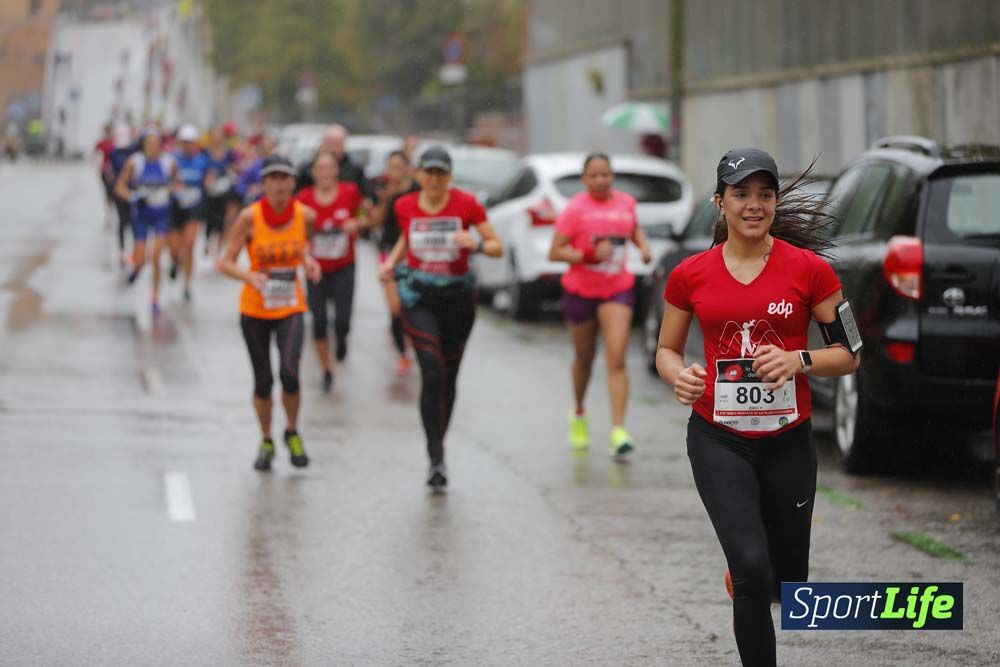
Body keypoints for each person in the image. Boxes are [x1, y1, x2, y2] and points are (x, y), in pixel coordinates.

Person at [656, 148, 860, 666]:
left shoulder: (810, 271)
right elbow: (666, 350)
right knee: (751, 568)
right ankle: (745, 577)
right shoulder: (689, 275)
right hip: (717, 437)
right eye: (741, 194)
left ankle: (755, 574)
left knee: (786, 581)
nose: (754, 204)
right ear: (719, 203)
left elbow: (850, 354)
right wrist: (679, 377)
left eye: (764, 194)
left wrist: (800, 359)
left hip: (788, 440)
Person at [377, 146, 503, 492]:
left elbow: (497, 246)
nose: (434, 180)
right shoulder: (404, 205)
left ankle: (439, 443)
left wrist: (474, 243)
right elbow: (407, 237)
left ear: (449, 177)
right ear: (419, 175)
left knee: (448, 377)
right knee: (431, 371)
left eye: (441, 174)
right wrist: (392, 264)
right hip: (419, 297)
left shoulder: (466, 204)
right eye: (428, 173)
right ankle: (435, 457)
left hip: (458, 300)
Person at [217, 155, 321, 471]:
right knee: (263, 382)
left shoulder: (306, 216)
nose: (278, 184)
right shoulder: (250, 218)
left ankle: (291, 430)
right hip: (255, 308)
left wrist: (308, 261)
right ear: (263, 184)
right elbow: (225, 262)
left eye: (284, 178)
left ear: (292, 183)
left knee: (289, 374)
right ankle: (266, 439)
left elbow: (304, 247)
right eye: (272, 178)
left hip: (290, 304)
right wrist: (249, 276)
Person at [547, 153, 652, 457]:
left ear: (612, 176)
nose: (600, 180)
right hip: (580, 290)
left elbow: (633, 229)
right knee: (585, 359)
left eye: (605, 174)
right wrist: (588, 256)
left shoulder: (626, 203)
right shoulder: (575, 209)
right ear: (584, 179)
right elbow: (555, 252)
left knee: (616, 356)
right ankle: (578, 412)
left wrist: (642, 247)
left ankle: (619, 430)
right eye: (593, 175)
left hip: (616, 289)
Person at [296, 150, 365, 392]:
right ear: (314, 173)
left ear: (336, 171)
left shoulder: (350, 192)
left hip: (344, 265)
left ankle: (342, 338)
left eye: (329, 168)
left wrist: (356, 223)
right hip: (316, 269)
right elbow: (296, 230)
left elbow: (366, 214)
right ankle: (326, 369)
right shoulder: (303, 198)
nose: (325, 173)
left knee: (343, 321)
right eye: (320, 168)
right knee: (319, 321)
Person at [114, 126, 179, 312]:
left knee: (157, 255)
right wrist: (133, 196)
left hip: (161, 214)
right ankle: (136, 271)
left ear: (160, 144)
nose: (152, 146)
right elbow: (119, 187)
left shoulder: (168, 162)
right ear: (143, 144)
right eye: (148, 143)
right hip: (142, 215)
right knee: (141, 259)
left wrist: (169, 190)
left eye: (155, 143)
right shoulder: (135, 162)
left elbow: (177, 182)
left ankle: (155, 297)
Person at [372, 149, 420, 374]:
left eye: (399, 167)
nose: (396, 172)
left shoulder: (417, 191)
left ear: (408, 169)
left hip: (414, 253)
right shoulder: (383, 191)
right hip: (389, 251)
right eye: (391, 167)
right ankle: (402, 355)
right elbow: (374, 223)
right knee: (395, 307)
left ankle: (411, 336)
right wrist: (385, 200)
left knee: (411, 304)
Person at [169, 124, 209, 301]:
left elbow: (207, 181)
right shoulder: (172, 160)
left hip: (194, 208)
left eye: (190, 142)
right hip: (175, 208)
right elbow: (167, 181)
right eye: (184, 142)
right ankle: (175, 262)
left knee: (190, 245)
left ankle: (186, 285)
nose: (187, 145)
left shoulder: (201, 160)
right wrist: (175, 186)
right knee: (175, 249)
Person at [294, 124, 369, 202]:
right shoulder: (307, 169)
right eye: (331, 143)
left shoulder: (355, 170)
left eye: (337, 144)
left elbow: (366, 198)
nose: (333, 149)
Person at [203, 125, 239, 256]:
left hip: (225, 191)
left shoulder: (229, 152)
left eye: (220, 135)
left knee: (224, 221)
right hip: (210, 193)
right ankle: (207, 242)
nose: (217, 137)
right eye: (215, 134)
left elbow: (237, 167)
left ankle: (218, 252)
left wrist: (231, 169)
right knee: (210, 221)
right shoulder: (205, 152)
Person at [107, 124, 137, 266]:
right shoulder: (114, 152)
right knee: (122, 221)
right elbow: (110, 170)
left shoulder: (132, 151)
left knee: (131, 221)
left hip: (131, 190)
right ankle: (122, 251)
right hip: (119, 190)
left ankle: (131, 250)